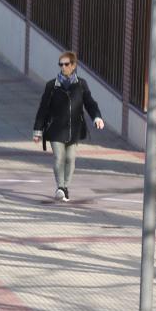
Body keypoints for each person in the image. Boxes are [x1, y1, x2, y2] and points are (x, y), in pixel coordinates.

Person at [33, 50, 104, 202]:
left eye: (66, 64)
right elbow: (43, 108)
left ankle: (65, 187)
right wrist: (38, 130)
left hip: (74, 130)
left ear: (73, 66)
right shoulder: (52, 86)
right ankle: (60, 187)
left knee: (70, 159)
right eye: (61, 64)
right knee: (59, 157)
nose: (63, 67)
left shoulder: (81, 85)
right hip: (55, 129)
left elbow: (90, 103)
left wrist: (96, 117)